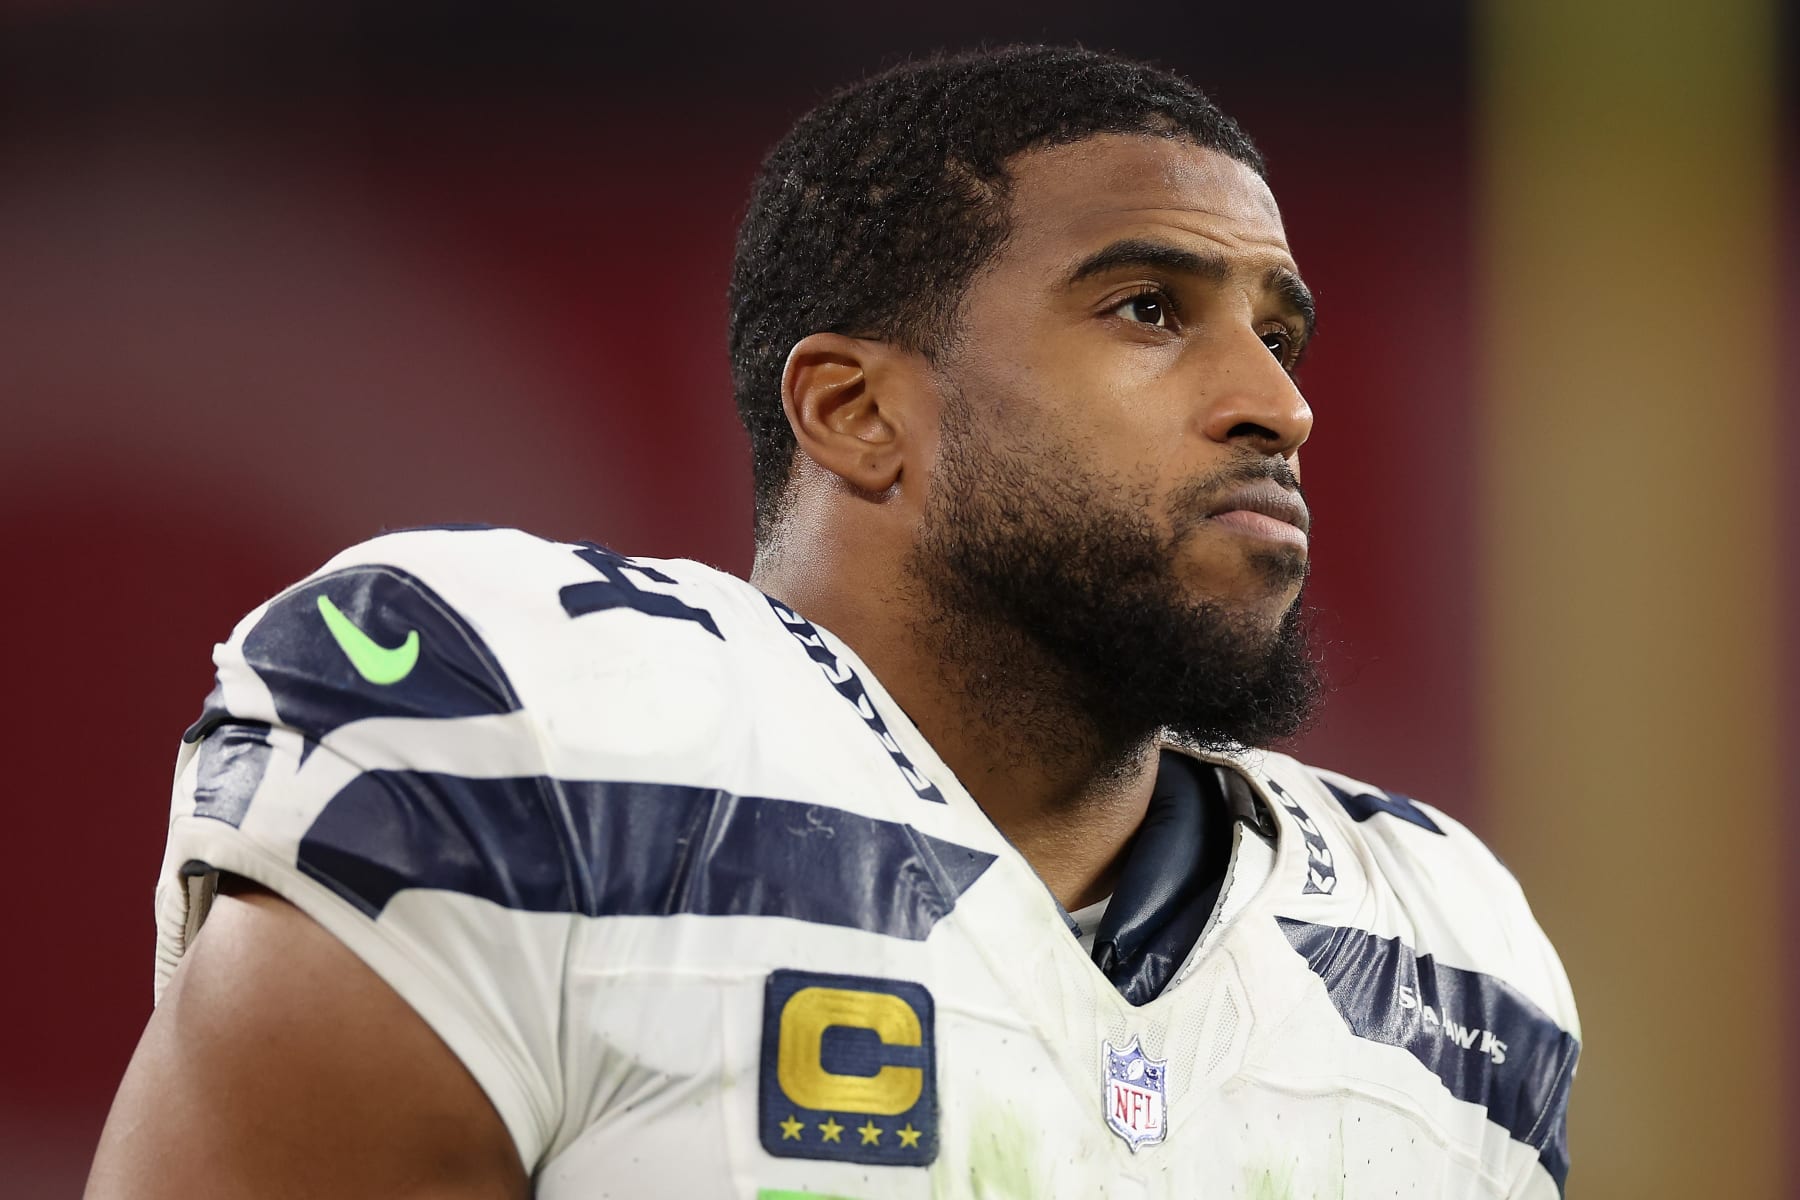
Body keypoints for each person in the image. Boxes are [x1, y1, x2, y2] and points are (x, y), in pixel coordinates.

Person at [87, 45, 1579, 1199]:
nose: (1280, 401)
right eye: (1146, 307)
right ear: (858, 413)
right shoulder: (536, 752)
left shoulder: (1433, 960)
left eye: (1279, 329)